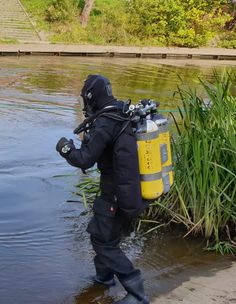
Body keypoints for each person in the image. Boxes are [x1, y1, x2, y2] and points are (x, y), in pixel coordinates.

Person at [55, 75, 149, 304]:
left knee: (102, 241)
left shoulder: (106, 121)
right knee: (104, 235)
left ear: (91, 97)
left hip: (117, 192)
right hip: (126, 189)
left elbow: (84, 160)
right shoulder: (121, 111)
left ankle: (137, 294)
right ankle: (104, 278)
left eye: (85, 100)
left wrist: (65, 149)